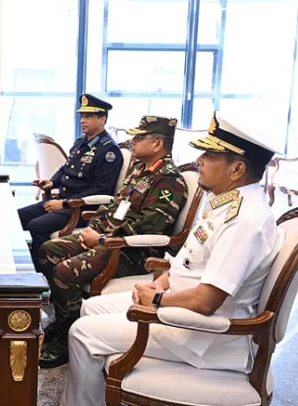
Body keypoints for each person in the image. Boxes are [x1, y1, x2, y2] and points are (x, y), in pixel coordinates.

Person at [42, 112, 283, 406]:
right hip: (177, 304)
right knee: (90, 308)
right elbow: (189, 261)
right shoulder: (229, 202)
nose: (199, 161)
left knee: (82, 333)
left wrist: (157, 300)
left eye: (210, 155)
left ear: (237, 169)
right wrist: (158, 284)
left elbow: (207, 301)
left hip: (199, 333)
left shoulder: (245, 222)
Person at [38, 115, 188, 369]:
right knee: (47, 250)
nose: (133, 141)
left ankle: (66, 338)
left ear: (158, 144)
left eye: (140, 137)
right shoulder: (140, 169)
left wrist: (102, 239)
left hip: (131, 253)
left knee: (64, 272)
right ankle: (64, 320)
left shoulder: (169, 181)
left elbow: (148, 227)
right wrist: (93, 230)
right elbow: (114, 206)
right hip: (106, 239)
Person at [19, 94, 123, 270]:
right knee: (18, 217)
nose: (83, 120)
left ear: (103, 119)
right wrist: (51, 183)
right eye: (82, 116)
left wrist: (64, 203)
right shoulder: (81, 142)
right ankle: (26, 265)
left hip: (81, 208)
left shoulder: (108, 151)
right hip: (63, 201)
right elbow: (65, 168)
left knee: (37, 226)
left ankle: (44, 274)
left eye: (89, 116)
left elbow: (101, 190)